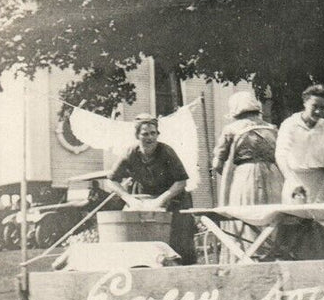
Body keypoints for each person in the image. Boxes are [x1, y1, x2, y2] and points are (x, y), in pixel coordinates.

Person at [102, 115, 196, 264]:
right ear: (137, 135)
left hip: (173, 199)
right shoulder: (130, 153)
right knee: (143, 244)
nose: (150, 138)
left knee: (179, 245)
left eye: (153, 133)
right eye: (145, 134)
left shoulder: (166, 152)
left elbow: (181, 182)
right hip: (143, 199)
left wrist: (160, 201)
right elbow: (111, 180)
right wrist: (129, 199)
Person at [275, 84, 324, 205]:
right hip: (296, 181)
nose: (318, 111)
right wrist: (293, 183)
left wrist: (322, 194)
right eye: (314, 106)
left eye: (322, 108)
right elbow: (281, 156)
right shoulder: (289, 125)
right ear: (305, 102)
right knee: (296, 221)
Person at [211, 89, 283, 208]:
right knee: (273, 213)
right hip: (273, 176)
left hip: (245, 177)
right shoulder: (272, 129)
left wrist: (230, 177)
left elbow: (217, 164)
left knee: (245, 213)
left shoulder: (231, 129)